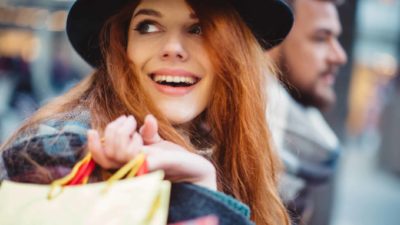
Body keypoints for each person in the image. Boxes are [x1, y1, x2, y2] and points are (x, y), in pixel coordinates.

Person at [0, 0, 294, 224]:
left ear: (233, 55)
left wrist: (203, 184)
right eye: (148, 27)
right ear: (123, 47)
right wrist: (201, 200)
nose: (173, 48)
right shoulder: (62, 153)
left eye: (199, 28)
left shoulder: (225, 151)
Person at [266, 0, 347, 224]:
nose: (339, 56)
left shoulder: (305, 159)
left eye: (336, 39)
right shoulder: (224, 153)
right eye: (321, 38)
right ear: (271, 40)